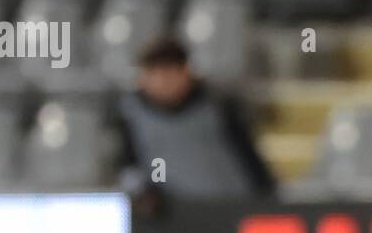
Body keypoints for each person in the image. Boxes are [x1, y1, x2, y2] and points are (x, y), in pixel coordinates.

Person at [116, 36, 276, 217]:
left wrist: (267, 198)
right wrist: (143, 192)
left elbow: (249, 157)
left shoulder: (218, 106)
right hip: (175, 216)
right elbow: (130, 165)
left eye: (168, 73)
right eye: (153, 74)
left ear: (186, 72)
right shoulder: (131, 113)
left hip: (231, 208)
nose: (161, 82)